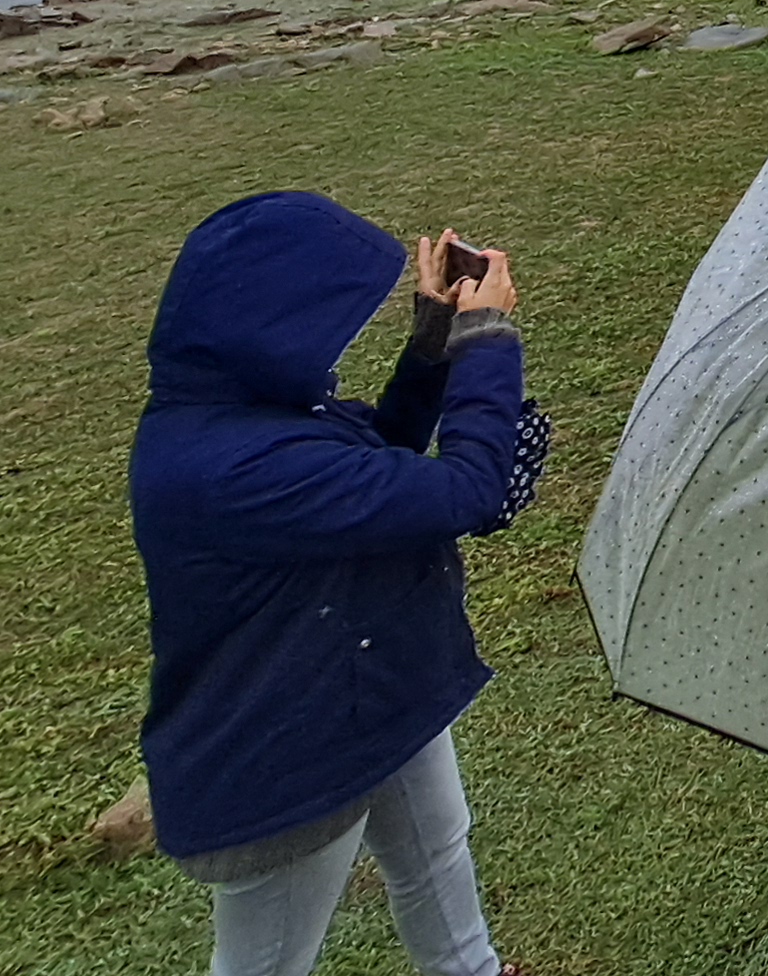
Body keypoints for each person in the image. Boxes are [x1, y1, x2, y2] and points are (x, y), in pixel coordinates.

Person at [130, 193, 547, 976]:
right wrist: (487, 339)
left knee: (435, 852)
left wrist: (432, 338)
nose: (336, 339)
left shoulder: (239, 410)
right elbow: (468, 489)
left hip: (368, 680)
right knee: (265, 961)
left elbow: (375, 453)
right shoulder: (231, 467)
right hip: (287, 744)